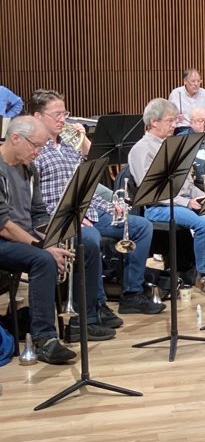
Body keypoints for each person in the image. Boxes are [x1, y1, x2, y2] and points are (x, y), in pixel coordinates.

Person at [29, 89, 163, 317]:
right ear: (37, 117)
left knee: (141, 226)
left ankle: (132, 293)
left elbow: (88, 185)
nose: (63, 119)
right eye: (57, 114)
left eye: (64, 114)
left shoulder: (70, 146)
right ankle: (96, 305)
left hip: (89, 212)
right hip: (62, 218)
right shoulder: (35, 152)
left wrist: (112, 207)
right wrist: (70, 215)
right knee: (90, 238)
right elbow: (37, 203)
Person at [0, 117, 110, 364]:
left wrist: (53, 240)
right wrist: (43, 247)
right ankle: (45, 339)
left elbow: (39, 214)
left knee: (79, 245)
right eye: (35, 146)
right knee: (43, 260)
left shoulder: (29, 168)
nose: (38, 152)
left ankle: (85, 318)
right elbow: (4, 225)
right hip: (4, 239)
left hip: (22, 235)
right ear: (15, 138)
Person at [128, 98, 205, 296]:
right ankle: (203, 275)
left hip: (181, 202)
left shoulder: (174, 145)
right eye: (170, 121)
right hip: (158, 207)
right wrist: (186, 202)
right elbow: (151, 190)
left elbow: (187, 184)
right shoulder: (142, 149)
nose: (174, 125)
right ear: (153, 122)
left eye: (175, 120)